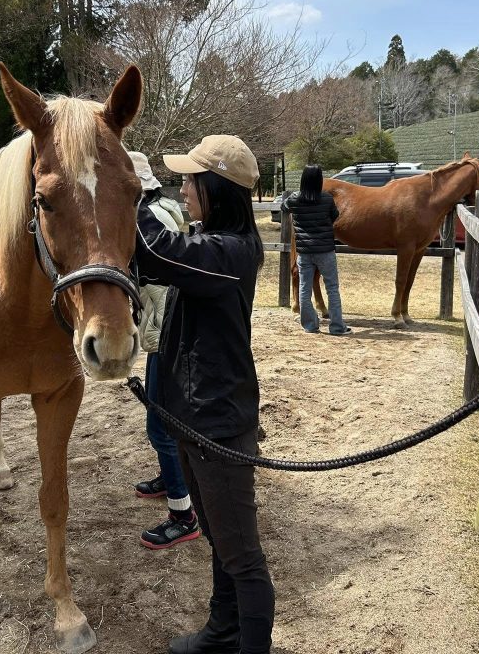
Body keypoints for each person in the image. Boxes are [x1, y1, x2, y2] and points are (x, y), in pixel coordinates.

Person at [135, 134, 274, 654]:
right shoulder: (214, 245)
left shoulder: (229, 252)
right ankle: (222, 632)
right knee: (219, 536)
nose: (184, 190)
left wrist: (130, 192)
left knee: (243, 556)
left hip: (217, 423)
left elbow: (155, 250)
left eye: (191, 181)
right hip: (196, 419)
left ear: (216, 188)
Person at [127, 150, 200, 550]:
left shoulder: (149, 217)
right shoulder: (165, 208)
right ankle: (170, 479)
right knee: (160, 418)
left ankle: (182, 513)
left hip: (161, 323)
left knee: (160, 424)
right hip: (161, 319)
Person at [282, 164, 351, 335]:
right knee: (332, 288)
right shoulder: (327, 199)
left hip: (304, 252)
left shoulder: (294, 199)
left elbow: (284, 207)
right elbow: (335, 216)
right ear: (319, 180)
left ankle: (310, 325)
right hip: (325, 250)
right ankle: (337, 327)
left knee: (304, 288)